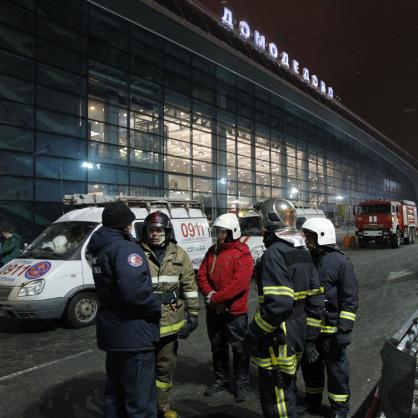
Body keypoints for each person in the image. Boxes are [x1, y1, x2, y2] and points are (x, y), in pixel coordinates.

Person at [243, 198, 325, 418]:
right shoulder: (303, 252)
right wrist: (310, 338)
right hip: (299, 331)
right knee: (287, 388)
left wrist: (254, 333)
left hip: (278, 335)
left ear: (269, 222)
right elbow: (316, 299)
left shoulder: (274, 254)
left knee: (276, 397)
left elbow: (278, 305)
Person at [87, 201, 161, 418]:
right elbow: (135, 293)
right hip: (133, 335)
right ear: (126, 225)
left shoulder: (99, 246)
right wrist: (155, 307)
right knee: (140, 401)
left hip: (113, 332)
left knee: (115, 396)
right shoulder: (125, 248)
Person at [140, 211, 199, 418]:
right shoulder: (137, 254)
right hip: (144, 325)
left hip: (171, 324)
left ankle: (162, 408)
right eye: (151, 230)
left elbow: (189, 286)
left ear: (167, 232)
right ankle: (145, 409)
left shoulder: (180, 254)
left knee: (165, 370)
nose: (155, 234)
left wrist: (193, 314)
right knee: (143, 371)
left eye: (159, 230)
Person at [301, 218, 358, 418]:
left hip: (333, 333)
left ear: (322, 236)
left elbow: (349, 299)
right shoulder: (308, 259)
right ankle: (312, 402)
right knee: (310, 369)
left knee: (337, 373)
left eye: (309, 236)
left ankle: (339, 410)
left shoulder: (340, 262)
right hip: (311, 331)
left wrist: (344, 330)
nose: (306, 240)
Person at [197, 213, 254, 402]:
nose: (219, 235)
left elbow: (239, 284)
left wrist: (217, 299)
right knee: (217, 347)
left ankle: (241, 383)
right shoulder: (212, 251)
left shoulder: (242, 253)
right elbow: (202, 276)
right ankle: (221, 380)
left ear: (232, 233)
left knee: (239, 349)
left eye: (222, 232)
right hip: (215, 310)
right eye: (217, 232)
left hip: (234, 313)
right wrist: (211, 296)